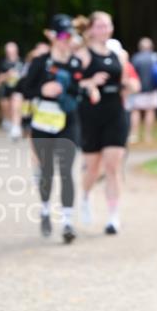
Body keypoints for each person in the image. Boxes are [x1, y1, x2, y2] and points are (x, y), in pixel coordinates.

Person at [22, 15, 90, 243]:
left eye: (69, 34)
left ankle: (67, 222)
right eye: (61, 34)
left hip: (68, 122)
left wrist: (77, 91)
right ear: (52, 36)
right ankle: (44, 210)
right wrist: (42, 90)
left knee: (66, 170)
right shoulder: (40, 62)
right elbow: (25, 89)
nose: (66, 39)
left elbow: (78, 91)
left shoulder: (75, 63)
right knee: (47, 171)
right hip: (42, 123)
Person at [74, 12, 139, 234]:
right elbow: (71, 84)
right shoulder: (82, 55)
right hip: (90, 115)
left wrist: (131, 86)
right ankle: (85, 196)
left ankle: (113, 217)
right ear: (90, 29)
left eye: (107, 25)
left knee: (112, 166)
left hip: (116, 113)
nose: (104, 30)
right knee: (93, 168)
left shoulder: (119, 55)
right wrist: (89, 82)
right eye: (99, 26)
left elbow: (127, 81)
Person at [129, 37, 157, 145]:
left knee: (135, 111)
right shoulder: (155, 57)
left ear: (140, 47)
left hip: (138, 90)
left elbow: (132, 74)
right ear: (151, 47)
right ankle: (148, 136)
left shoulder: (136, 58)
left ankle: (134, 135)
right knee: (150, 111)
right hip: (152, 89)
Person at [0, 42, 23, 139]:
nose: (10, 53)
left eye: (12, 51)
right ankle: (7, 120)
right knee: (5, 106)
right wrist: (7, 75)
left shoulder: (22, 62)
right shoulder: (2, 63)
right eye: (8, 51)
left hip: (18, 89)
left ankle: (16, 126)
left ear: (16, 51)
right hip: (5, 88)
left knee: (15, 107)